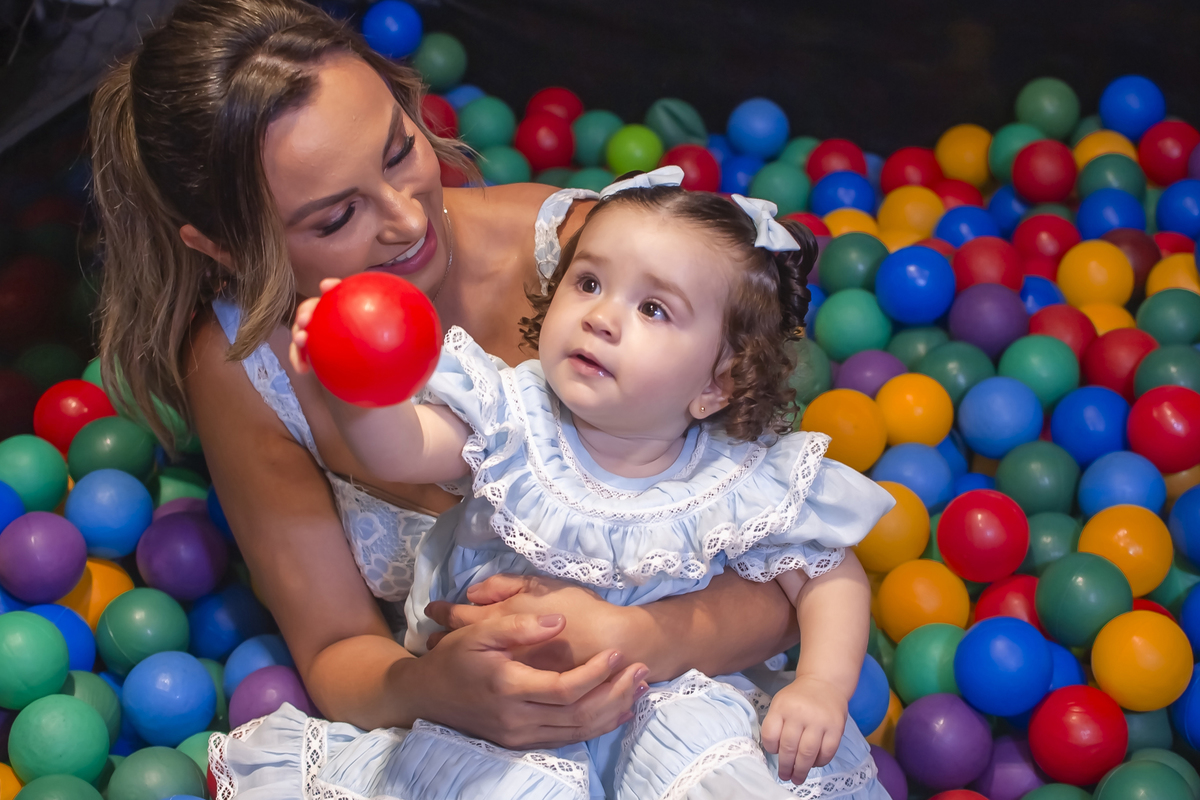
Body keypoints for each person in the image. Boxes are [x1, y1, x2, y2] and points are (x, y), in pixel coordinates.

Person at [90, 0, 805, 757]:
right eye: (335, 218)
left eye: (399, 151)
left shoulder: (594, 270)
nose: (407, 221)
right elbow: (335, 648)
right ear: (226, 249)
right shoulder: (245, 370)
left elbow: (794, 569)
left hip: (691, 711)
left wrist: (640, 637)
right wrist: (433, 689)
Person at [215, 167, 894, 799]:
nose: (602, 316)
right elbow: (403, 449)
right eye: (589, 283)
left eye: (654, 309)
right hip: (509, 712)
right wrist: (355, 384)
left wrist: (820, 685)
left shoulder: (737, 474)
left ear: (716, 383)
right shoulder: (514, 416)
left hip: (671, 705)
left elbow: (828, 574)